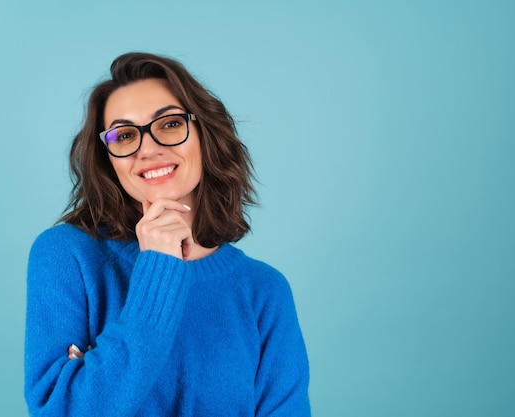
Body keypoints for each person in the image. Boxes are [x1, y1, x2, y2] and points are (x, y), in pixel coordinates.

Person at [24, 52, 310, 416]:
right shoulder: (67, 256)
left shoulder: (263, 291)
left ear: (205, 135)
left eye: (170, 124)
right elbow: (63, 411)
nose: (148, 149)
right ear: (107, 158)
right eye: (125, 135)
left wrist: (101, 374)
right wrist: (159, 265)